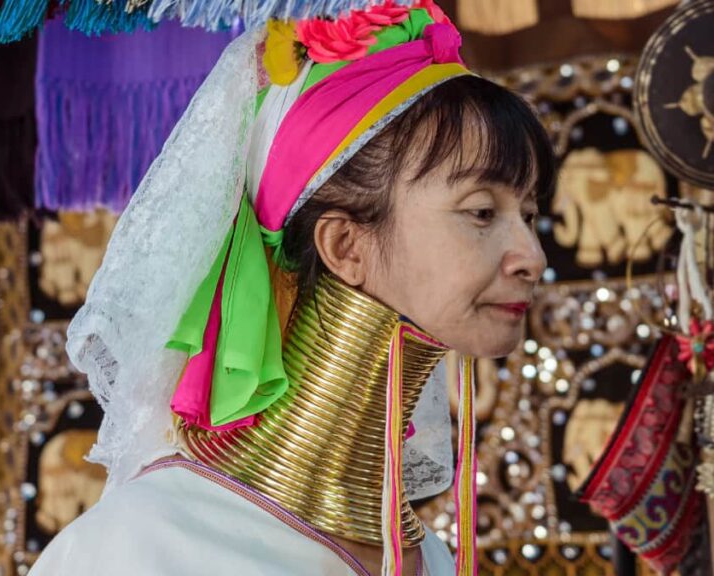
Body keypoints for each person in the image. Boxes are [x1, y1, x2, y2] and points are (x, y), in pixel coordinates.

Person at [29, 3, 555, 575]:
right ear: (345, 246)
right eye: (482, 211)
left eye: (529, 214)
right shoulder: (140, 549)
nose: (532, 255)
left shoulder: (430, 557)